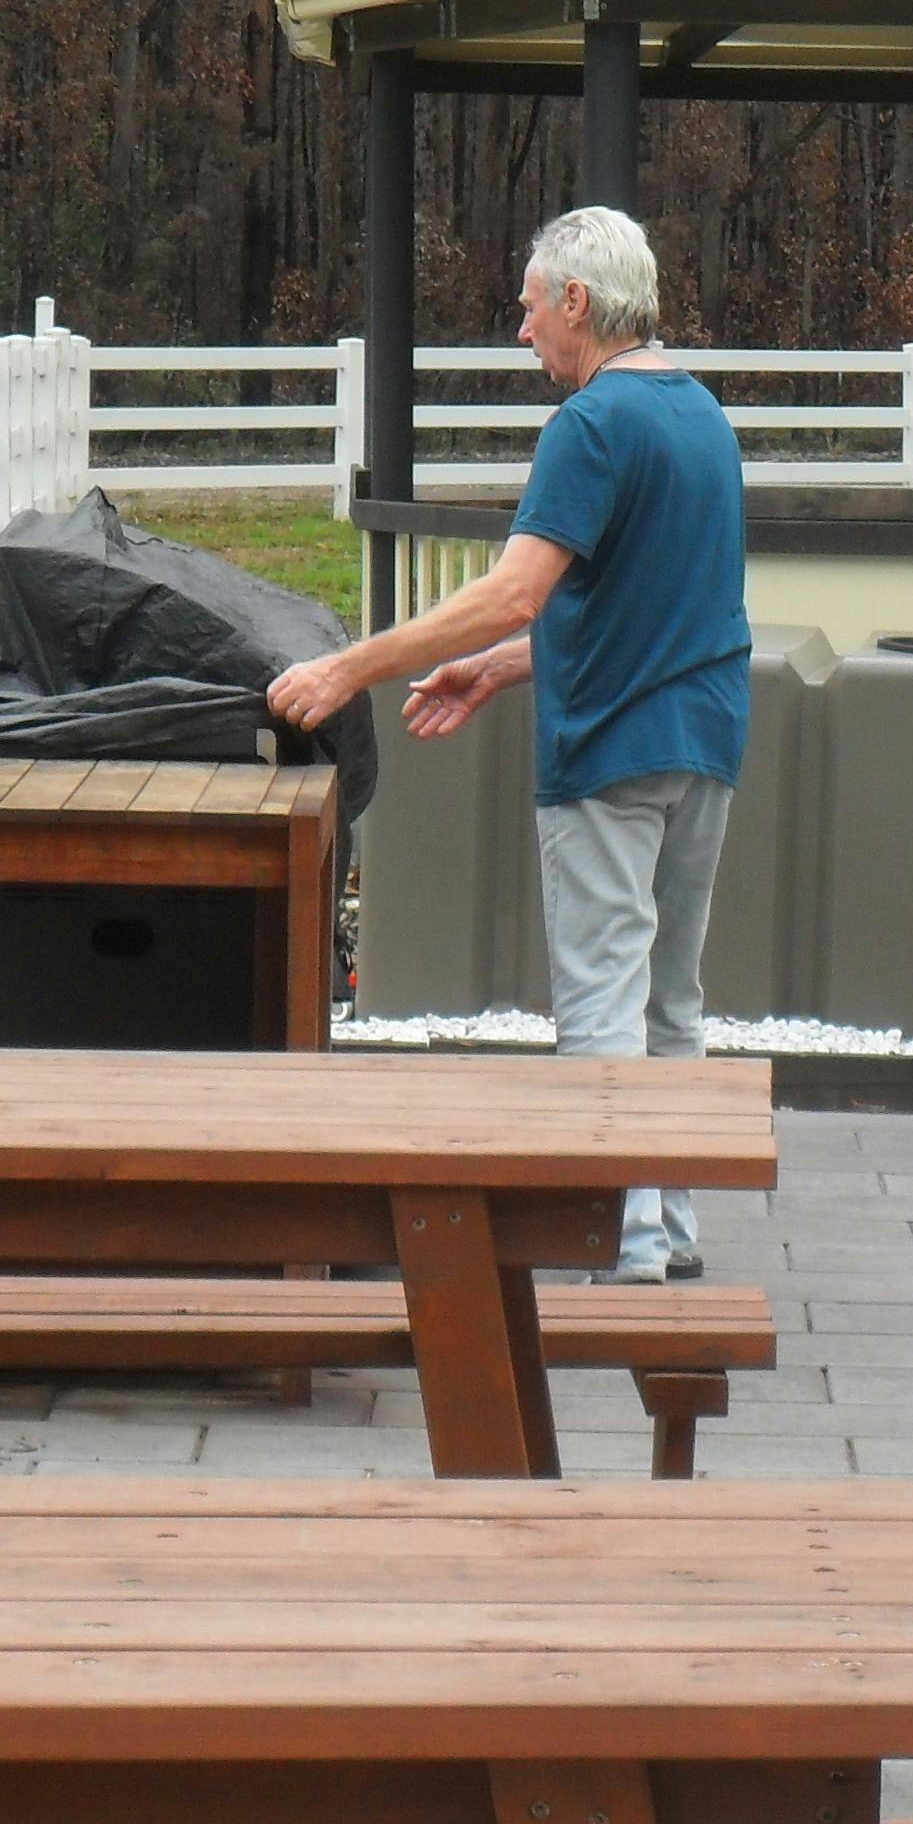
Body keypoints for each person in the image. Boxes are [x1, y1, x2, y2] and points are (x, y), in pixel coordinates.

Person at [269, 206, 750, 1282]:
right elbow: (660, 605)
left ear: (577, 302)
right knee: (673, 997)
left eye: (531, 308)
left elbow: (511, 591)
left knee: (600, 1000)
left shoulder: (591, 426)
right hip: (703, 743)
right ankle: (671, 1232)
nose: (524, 331)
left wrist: (349, 667)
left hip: (608, 755)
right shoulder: (703, 420)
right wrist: (501, 670)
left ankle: (614, 1244)